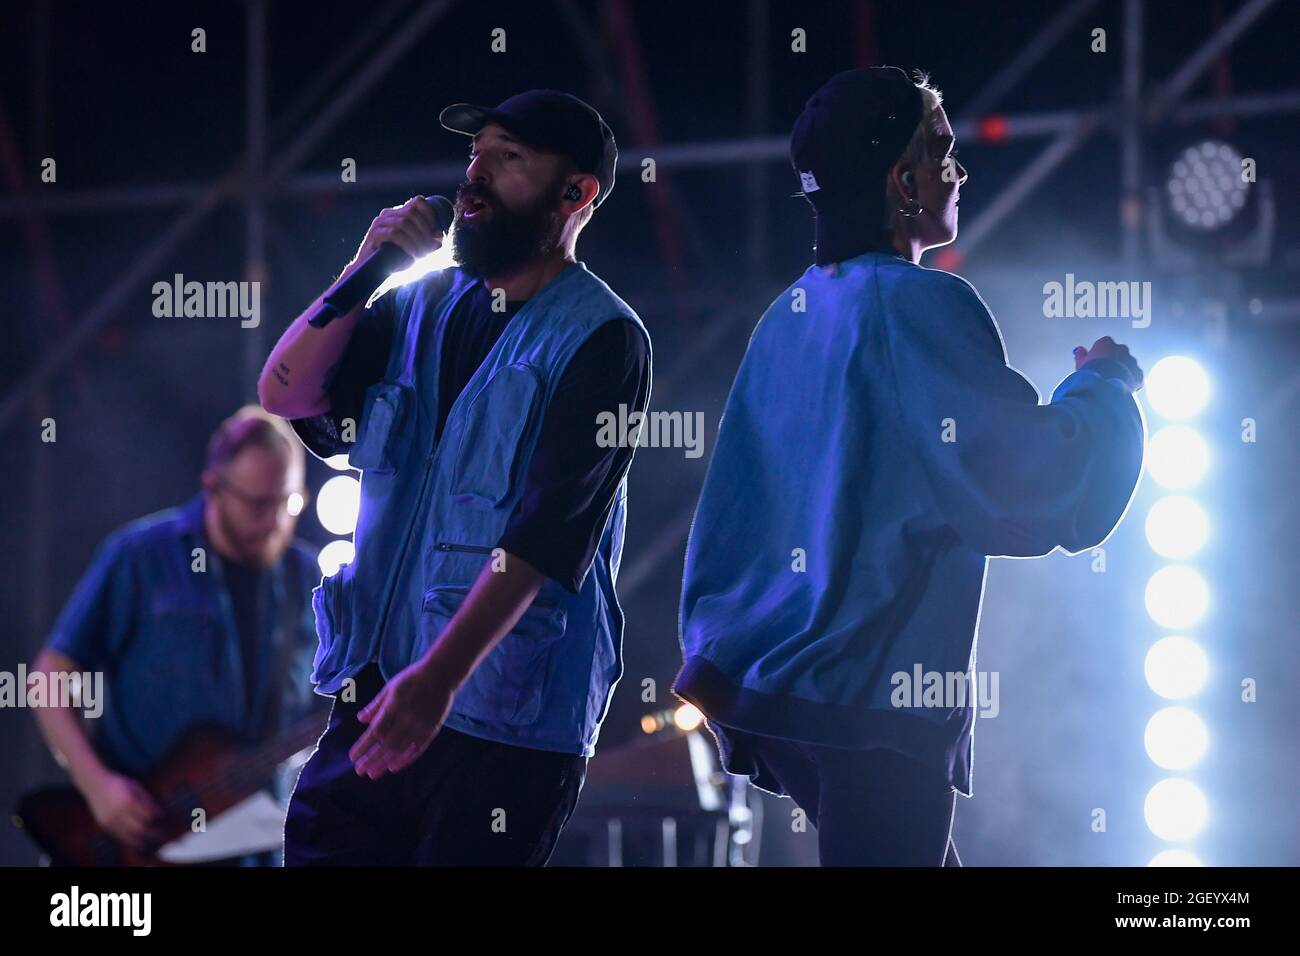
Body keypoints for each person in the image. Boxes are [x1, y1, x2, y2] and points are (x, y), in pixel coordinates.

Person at [674, 67, 1146, 866]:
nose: (956, 172)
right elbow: (1028, 481)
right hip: (870, 697)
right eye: (942, 150)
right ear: (901, 180)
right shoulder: (920, 304)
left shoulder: (789, 315)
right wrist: (1102, 387)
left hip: (773, 687)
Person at [259, 89, 652, 866]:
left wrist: (438, 679)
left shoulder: (605, 338)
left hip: (503, 720)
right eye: (476, 154)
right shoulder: (415, 307)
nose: (475, 175)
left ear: (576, 195)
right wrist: (367, 268)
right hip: (373, 697)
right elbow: (284, 392)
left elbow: (545, 537)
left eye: (509, 159)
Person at [31, 405, 325, 865]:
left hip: (258, 846)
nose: (274, 521)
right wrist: (99, 788)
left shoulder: (309, 577)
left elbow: (322, 710)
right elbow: (49, 676)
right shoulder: (140, 556)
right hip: (141, 836)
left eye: (288, 502)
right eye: (258, 504)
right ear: (214, 487)